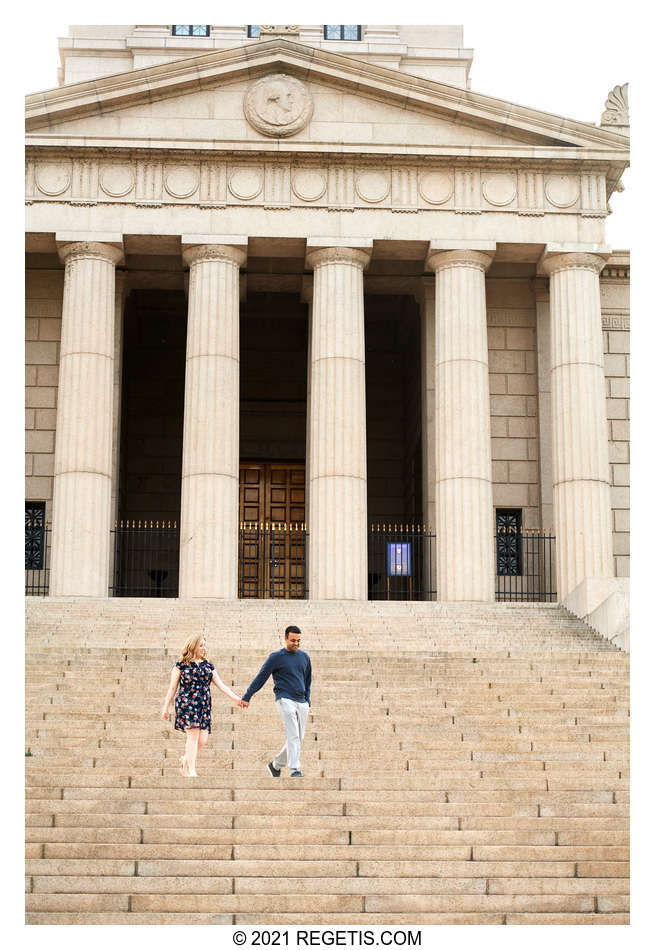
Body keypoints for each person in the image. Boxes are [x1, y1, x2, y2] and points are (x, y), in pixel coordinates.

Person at [161, 634, 247, 777]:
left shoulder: (208, 665)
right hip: (187, 703)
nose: (204, 648)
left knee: (202, 740)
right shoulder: (180, 665)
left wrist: (237, 699)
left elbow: (222, 686)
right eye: (201, 645)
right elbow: (172, 688)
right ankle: (191, 770)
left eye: (204, 645)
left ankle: (185, 759)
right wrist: (165, 707)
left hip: (204, 705)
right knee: (193, 737)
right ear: (193, 646)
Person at [241, 625, 311, 778]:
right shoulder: (276, 657)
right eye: (293, 640)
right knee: (293, 735)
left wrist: (308, 700)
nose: (296, 643)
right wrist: (247, 696)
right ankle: (295, 769)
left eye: (299, 640)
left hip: (302, 701)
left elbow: (308, 680)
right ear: (285, 638)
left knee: (298, 738)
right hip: (284, 699)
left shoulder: (305, 657)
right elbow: (261, 677)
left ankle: (276, 765)